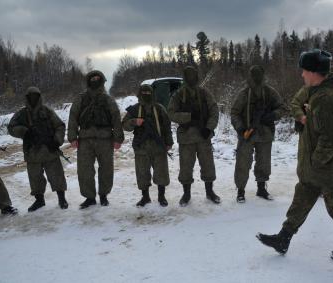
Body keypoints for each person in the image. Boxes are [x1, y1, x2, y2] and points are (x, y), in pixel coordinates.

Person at [257, 49, 333, 261]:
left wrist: (315, 162)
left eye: (304, 70)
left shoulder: (325, 98)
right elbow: (318, 126)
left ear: (315, 72)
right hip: (316, 166)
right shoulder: (318, 94)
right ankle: (284, 237)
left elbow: (331, 138)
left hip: (329, 167)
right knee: (302, 198)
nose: (302, 75)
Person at [68, 70, 124, 209]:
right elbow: (73, 117)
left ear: (102, 80)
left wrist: (118, 138)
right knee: (85, 170)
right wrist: (72, 137)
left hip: (105, 139)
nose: (95, 80)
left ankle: (103, 195)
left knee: (106, 168)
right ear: (88, 81)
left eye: (98, 78)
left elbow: (116, 118)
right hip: (85, 140)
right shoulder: (80, 98)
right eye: (92, 78)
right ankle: (90, 197)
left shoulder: (108, 99)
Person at [8, 87, 68, 211]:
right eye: (30, 96)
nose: (33, 98)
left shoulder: (47, 111)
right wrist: (23, 132)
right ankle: (39, 200)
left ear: (39, 96)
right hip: (32, 151)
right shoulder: (22, 113)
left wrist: (56, 140)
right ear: (27, 98)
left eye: (35, 95)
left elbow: (59, 125)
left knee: (56, 175)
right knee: (35, 178)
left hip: (49, 150)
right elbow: (11, 127)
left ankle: (62, 198)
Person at [168, 66, 220, 206]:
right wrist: (189, 117)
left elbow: (214, 110)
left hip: (203, 137)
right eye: (188, 76)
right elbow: (171, 113)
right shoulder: (178, 95)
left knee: (208, 165)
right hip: (186, 138)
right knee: (185, 167)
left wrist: (209, 128)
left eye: (193, 76)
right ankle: (186, 194)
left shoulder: (204, 93)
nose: (191, 79)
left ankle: (210, 192)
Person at [231, 65, 284, 202]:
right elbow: (235, 113)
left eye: (259, 74)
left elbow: (282, 108)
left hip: (265, 133)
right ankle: (241, 191)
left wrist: (272, 115)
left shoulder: (270, 92)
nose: (256, 77)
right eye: (254, 75)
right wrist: (241, 128)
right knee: (243, 163)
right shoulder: (244, 94)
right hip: (247, 134)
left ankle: (261, 189)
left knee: (264, 163)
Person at [122, 84, 173, 207]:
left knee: (161, 172)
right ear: (140, 94)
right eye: (143, 93)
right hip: (141, 147)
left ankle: (161, 196)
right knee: (142, 173)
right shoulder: (134, 109)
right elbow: (124, 125)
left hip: (158, 146)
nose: (146, 95)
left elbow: (167, 126)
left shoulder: (159, 108)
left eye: (148, 93)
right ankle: (145, 197)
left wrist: (169, 142)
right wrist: (135, 121)